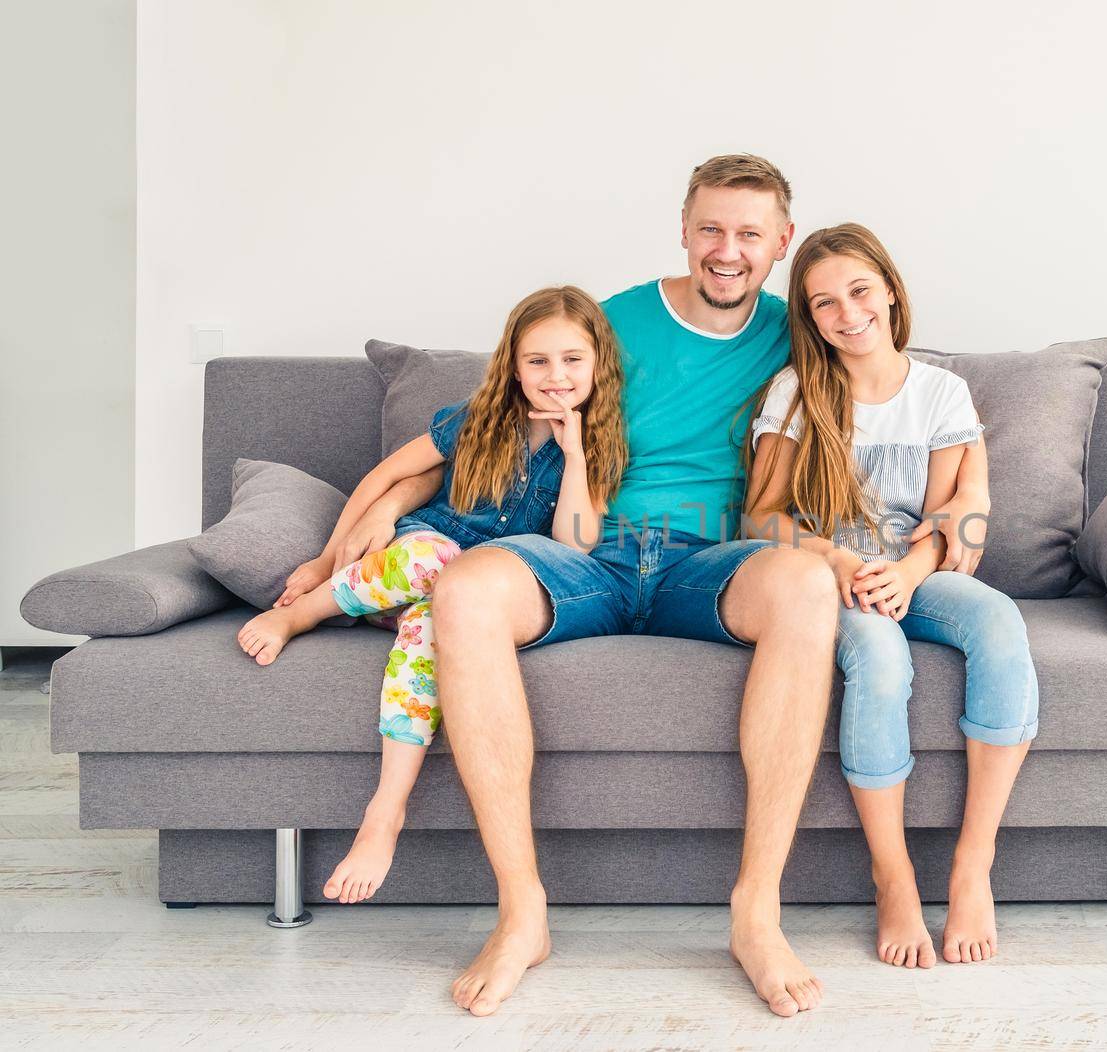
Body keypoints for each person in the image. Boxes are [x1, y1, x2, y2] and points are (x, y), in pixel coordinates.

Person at [355, 155, 992, 1019]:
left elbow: (900, 406)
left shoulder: (799, 333)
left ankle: (755, 914)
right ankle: (522, 913)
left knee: (806, 582)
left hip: (711, 564)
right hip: (589, 554)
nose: (728, 251)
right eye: (711, 230)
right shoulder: (610, 321)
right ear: (684, 229)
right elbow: (491, 420)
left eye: (750, 235)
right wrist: (354, 534)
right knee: (465, 590)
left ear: (781, 245)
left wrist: (935, 536)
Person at [236, 285, 626, 904]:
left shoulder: (602, 442)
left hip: (469, 591)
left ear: (599, 362)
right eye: (538, 361)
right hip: (419, 553)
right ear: (514, 367)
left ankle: (385, 812)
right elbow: (387, 474)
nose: (556, 376)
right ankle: (302, 617)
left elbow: (574, 545)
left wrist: (575, 455)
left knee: (433, 632)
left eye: (573, 360)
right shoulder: (478, 419)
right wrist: (320, 559)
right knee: (433, 557)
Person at [745, 222, 1037, 970]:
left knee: (1000, 622)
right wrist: (841, 562)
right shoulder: (796, 392)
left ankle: (973, 865)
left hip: (916, 571)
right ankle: (895, 876)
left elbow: (948, 520)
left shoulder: (941, 392)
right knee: (876, 656)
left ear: (890, 290)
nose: (846, 313)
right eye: (822, 303)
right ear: (808, 318)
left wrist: (907, 573)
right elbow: (761, 516)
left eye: (859, 291)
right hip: (827, 576)